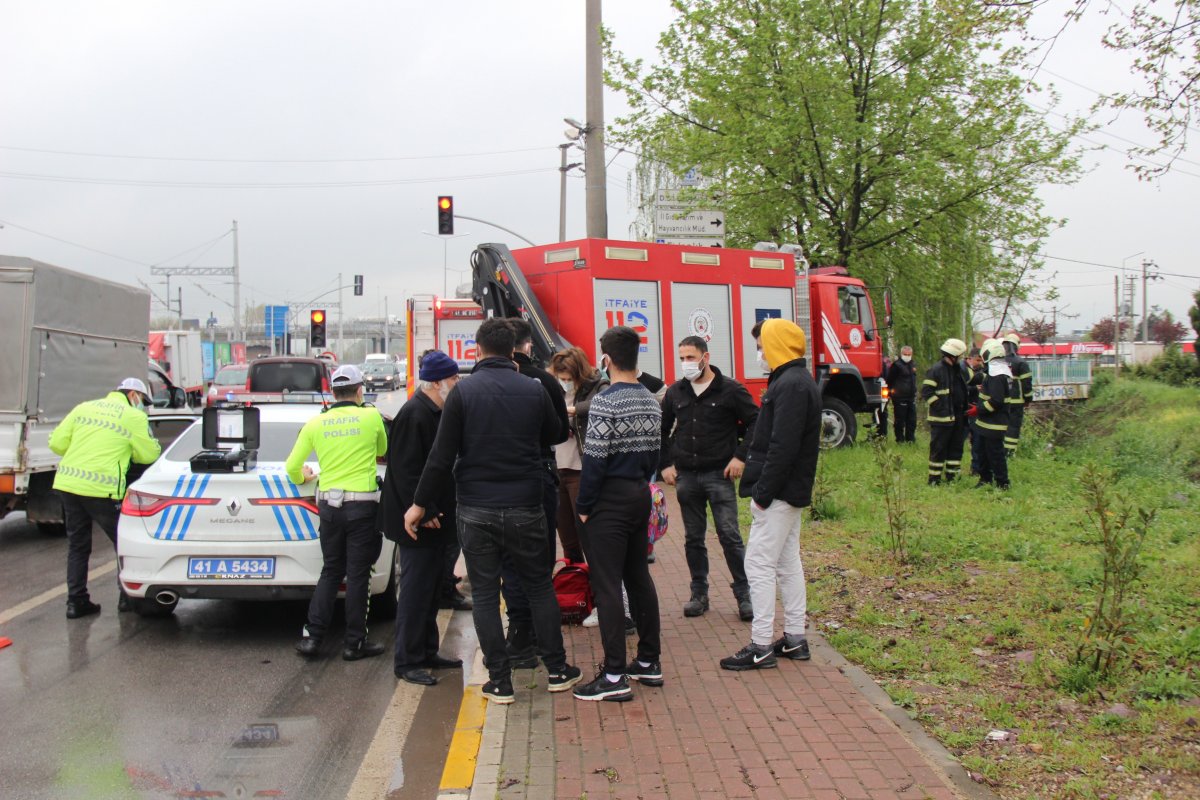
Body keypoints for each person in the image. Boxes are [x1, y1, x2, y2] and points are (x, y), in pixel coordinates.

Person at [405, 318, 582, 704]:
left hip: (476, 508)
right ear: (515, 351)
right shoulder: (532, 390)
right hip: (526, 504)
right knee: (538, 586)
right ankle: (556, 669)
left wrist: (419, 504)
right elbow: (555, 434)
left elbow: (440, 457)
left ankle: (499, 681)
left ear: (478, 350)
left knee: (484, 593)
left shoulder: (463, 395)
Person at [719, 319, 820, 671]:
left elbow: (782, 446)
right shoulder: (793, 381)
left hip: (778, 493)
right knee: (787, 562)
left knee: (758, 564)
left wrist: (762, 493)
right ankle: (794, 638)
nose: (759, 352)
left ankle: (760, 645)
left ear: (776, 345)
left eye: (762, 345)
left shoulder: (790, 384)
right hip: (788, 492)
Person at [573, 326, 664, 701]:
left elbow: (594, 459)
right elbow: (656, 454)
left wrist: (583, 506)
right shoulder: (650, 397)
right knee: (637, 576)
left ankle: (613, 676)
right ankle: (647, 662)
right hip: (639, 494)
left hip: (607, 500)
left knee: (607, 584)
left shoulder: (605, 402)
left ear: (606, 360)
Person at [288, 365, 388, 661]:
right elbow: (383, 447)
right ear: (360, 391)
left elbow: (292, 467)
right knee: (358, 575)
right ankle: (354, 643)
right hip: (362, 507)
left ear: (333, 394)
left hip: (328, 508)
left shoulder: (316, 423)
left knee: (331, 571)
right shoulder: (371, 417)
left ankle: (312, 638)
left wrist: (303, 477)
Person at [380, 351, 465, 686]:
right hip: (415, 523)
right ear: (437, 382)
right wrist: (423, 509)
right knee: (415, 592)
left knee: (430, 591)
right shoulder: (414, 414)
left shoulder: (438, 411)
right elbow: (405, 471)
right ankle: (408, 660)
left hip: (436, 518)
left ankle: (428, 650)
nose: (456, 385)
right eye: (453, 379)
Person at [660, 336, 758, 621]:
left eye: (691, 357)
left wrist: (740, 456)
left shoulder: (730, 390)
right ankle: (699, 593)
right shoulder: (676, 392)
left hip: (719, 474)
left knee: (729, 535)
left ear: (705, 357)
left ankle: (744, 594)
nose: (686, 363)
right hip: (686, 476)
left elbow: (757, 421)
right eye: (682, 358)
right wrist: (665, 464)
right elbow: (661, 430)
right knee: (693, 538)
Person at [49, 378, 161, 618]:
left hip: (68, 485)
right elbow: (149, 455)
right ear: (133, 395)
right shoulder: (134, 417)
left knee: (77, 545)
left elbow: (57, 444)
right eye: (143, 401)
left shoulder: (84, 408)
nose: (143, 406)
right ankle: (127, 599)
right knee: (123, 543)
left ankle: (76, 602)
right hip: (102, 490)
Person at [502, 317, 570, 669]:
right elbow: (560, 432)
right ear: (528, 345)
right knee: (540, 560)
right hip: (539, 475)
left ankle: (519, 638)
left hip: (498, 484)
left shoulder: (485, 383)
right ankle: (547, 644)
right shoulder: (545, 381)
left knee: (509, 562)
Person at [549, 346, 609, 564]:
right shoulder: (553, 388)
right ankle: (576, 585)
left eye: (568, 377)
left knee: (588, 534)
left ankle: (599, 587)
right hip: (556, 469)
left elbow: (605, 404)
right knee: (566, 536)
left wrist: (575, 411)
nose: (564, 381)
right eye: (560, 377)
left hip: (581, 469)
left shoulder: (598, 386)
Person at [920, 338, 970, 484]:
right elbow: (927, 392)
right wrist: (941, 408)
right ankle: (934, 479)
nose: (960, 359)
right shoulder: (936, 370)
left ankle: (952, 477)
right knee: (939, 449)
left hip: (957, 416)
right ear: (953, 356)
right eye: (959, 356)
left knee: (956, 448)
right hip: (941, 419)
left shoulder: (958, 369)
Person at [975, 340, 1017, 489]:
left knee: (995, 455)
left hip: (993, 423)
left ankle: (1002, 483)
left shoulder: (997, 373)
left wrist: (978, 410)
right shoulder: (999, 370)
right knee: (983, 454)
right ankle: (985, 479)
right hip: (986, 423)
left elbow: (997, 401)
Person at [1001, 332, 1034, 457]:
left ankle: (1001, 451)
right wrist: (1028, 399)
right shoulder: (1021, 363)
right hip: (1016, 402)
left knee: (1002, 426)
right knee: (1013, 428)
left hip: (1001, 401)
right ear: (1016, 346)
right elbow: (1027, 384)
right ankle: (1009, 453)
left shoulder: (998, 362)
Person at [886, 346, 918, 443]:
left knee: (912, 420)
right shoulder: (896, 365)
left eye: (909, 355)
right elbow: (890, 380)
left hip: (911, 396)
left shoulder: (913, 364)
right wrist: (890, 392)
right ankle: (900, 439)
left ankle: (910, 439)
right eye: (905, 354)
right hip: (899, 397)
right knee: (900, 420)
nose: (907, 356)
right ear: (901, 354)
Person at [962, 347, 986, 476]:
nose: (979, 363)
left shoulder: (978, 371)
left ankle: (976, 469)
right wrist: (974, 388)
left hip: (974, 409)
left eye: (981, 360)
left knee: (976, 441)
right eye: (977, 360)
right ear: (970, 358)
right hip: (966, 408)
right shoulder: (963, 369)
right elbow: (959, 387)